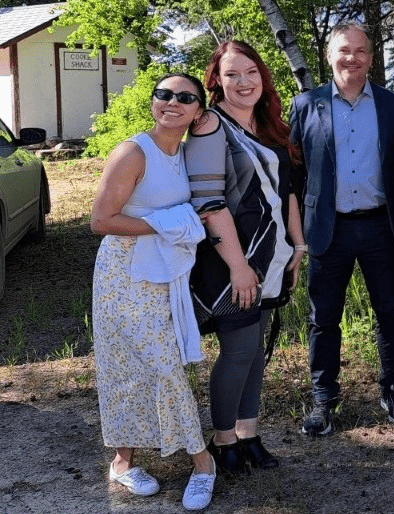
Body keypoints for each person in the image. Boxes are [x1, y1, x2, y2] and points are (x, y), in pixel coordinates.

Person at [90, 72, 217, 510]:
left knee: (150, 361)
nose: (173, 102)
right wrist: (168, 226)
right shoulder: (132, 152)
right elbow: (101, 221)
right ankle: (203, 463)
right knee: (142, 363)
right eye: (164, 94)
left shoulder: (184, 154)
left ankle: (123, 461)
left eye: (185, 97)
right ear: (152, 103)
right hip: (122, 274)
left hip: (163, 274)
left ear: (198, 110)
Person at [185, 40, 305, 474]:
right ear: (216, 81)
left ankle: (249, 435)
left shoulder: (269, 126)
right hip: (229, 259)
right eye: (232, 74)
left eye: (251, 71)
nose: (243, 81)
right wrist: (238, 267)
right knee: (237, 350)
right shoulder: (210, 126)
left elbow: (287, 189)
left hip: (270, 256)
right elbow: (209, 204)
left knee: (255, 351)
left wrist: (297, 245)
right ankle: (223, 443)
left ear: (263, 76)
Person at [289, 21, 394, 436]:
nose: (352, 58)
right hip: (328, 229)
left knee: (390, 311)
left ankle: (393, 387)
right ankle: (324, 399)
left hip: (382, 226)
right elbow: (294, 170)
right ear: (329, 56)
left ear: (371, 58)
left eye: (360, 51)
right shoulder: (306, 104)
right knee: (323, 318)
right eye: (344, 50)